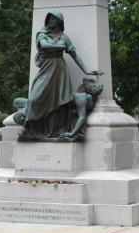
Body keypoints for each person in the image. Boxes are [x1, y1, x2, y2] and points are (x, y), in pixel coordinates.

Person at [21, 9, 101, 139]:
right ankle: (30, 127)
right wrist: (60, 47)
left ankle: (53, 131)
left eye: (53, 19)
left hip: (59, 71)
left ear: (59, 21)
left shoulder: (64, 37)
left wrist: (86, 70)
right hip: (47, 68)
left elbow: (75, 56)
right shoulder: (42, 34)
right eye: (49, 18)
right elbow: (44, 45)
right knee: (34, 98)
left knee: (58, 103)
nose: (50, 21)